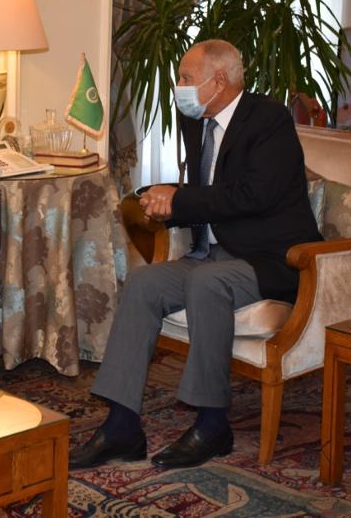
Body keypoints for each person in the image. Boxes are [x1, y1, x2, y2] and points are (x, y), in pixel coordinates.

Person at [70, 39, 321, 470]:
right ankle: (121, 426)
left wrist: (180, 200)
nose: (179, 86)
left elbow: (253, 195)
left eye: (186, 78)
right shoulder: (197, 121)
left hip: (273, 258)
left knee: (208, 282)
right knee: (143, 281)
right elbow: (209, 189)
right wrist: (164, 197)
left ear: (218, 81)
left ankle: (212, 424)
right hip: (213, 253)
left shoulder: (269, 120)